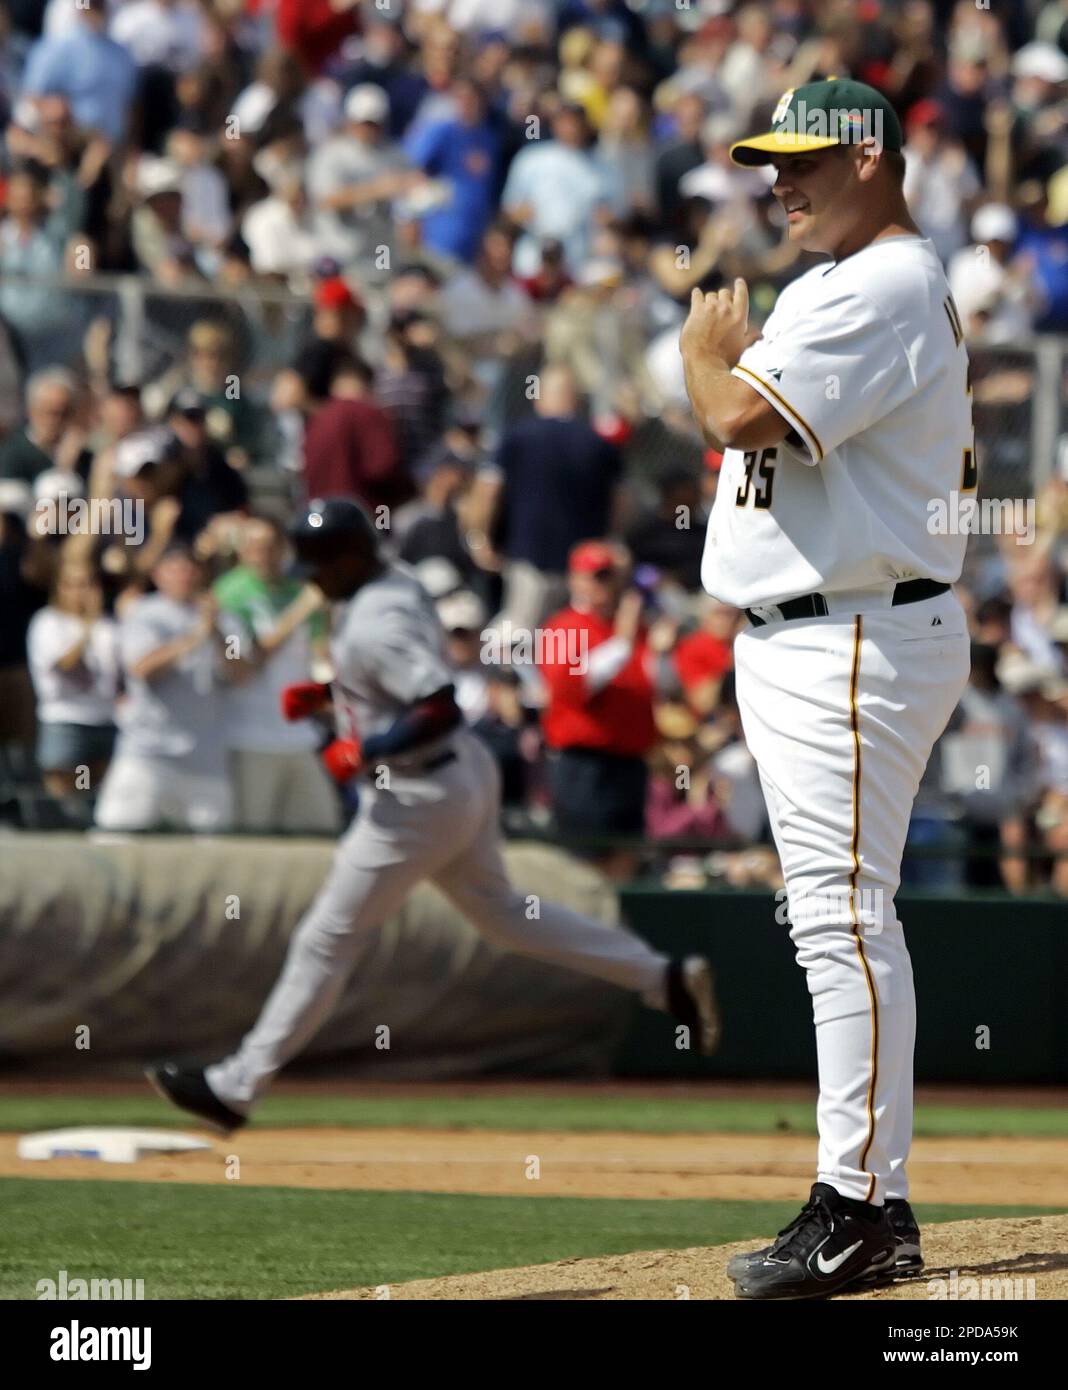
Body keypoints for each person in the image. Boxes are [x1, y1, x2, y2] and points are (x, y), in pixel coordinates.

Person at [145, 499, 719, 1131]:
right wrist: (336, 703)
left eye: (319, 564)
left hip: (418, 796)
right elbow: (405, 689)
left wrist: (367, 747)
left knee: (327, 938)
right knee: (503, 917)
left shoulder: (375, 621)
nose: (311, 577)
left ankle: (237, 1086)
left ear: (351, 556)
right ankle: (660, 977)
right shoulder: (392, 579)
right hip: (459, 775)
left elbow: (439, 704)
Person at [681, 79, 973, 1298]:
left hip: (851, 631)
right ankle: (870, 1200)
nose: (778, 182)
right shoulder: (842, 283)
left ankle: (857, 1204)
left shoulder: (885, 280)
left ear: (871, 155)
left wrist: (704, 363)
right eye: (769, 162)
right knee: (834, 916)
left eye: (802, 159)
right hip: (818, 630)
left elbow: (740, 412)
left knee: (842, 917)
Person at [93, 544, 245, 832]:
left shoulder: (226, 621)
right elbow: (142, 669)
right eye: (175, 568)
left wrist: (216, 633)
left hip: (206, 759)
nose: (184, 575)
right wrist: (194, 636)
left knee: (213, 850)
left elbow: (239, 671)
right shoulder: (144, 614)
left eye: (190, 568)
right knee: (117, 833)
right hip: (149, 752)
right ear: (158, 575)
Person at [537, 540, 660, 879]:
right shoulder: (564, 627)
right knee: (584, 866)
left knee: (626, 858)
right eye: (596, 576)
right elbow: (571, 688)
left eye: (610, 576)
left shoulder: (639, 629)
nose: (604, 585)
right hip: (584, 766)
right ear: (575, 580)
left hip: (629, 763)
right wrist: (622, 641)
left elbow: (658, 685)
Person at [212, 515, 340, 835]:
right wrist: (301, 611)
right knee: (254, 834)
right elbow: (246, 663)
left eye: (270, 547)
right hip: (251, 738)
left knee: (322, 829)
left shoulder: (298, 590)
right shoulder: (229, 594)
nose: (263, 555)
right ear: (240, 551)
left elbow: (318, 656)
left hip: (299, 735)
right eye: (254, 547)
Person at [26, 558, 119, 805]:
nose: (82, 592)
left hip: (105, 719)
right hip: (66, 720)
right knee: (66, 796)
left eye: (87, 584)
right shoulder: (47, 623)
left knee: (98, 795)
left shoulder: (108, 626)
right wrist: (87, 627)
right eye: (73, 584)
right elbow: (65, 667)